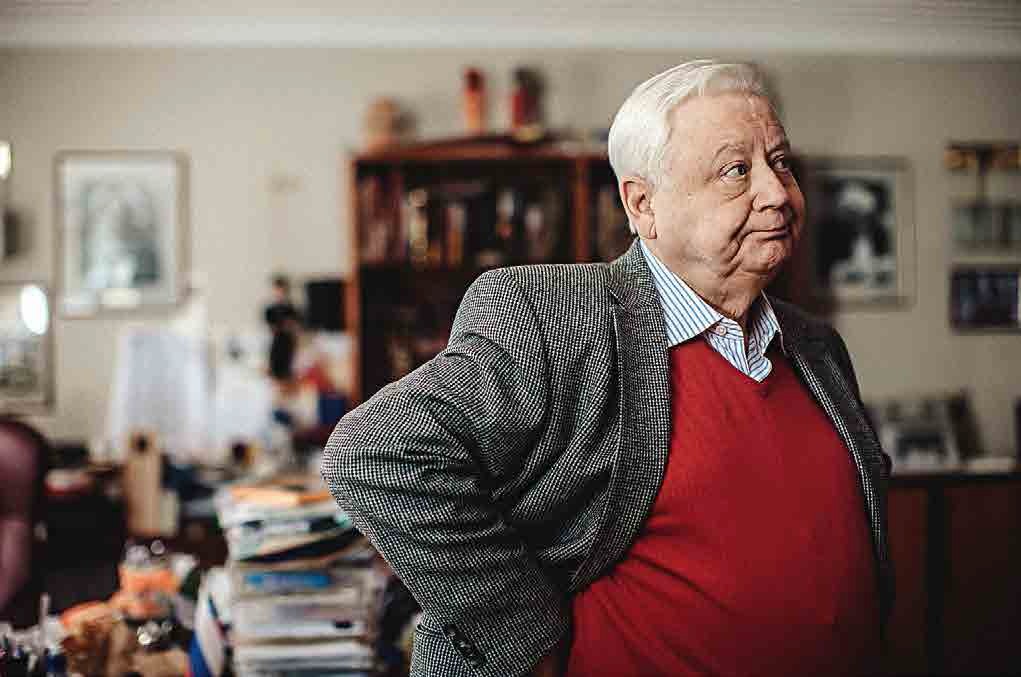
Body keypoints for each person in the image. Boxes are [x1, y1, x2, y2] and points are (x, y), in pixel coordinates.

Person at [323, 60, 893, 677]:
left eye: (780, 162)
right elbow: (373, 453)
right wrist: (528, 641)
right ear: (643, 205)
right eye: (736, 170)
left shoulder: (816, 346)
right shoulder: (555, 316)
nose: (778, 193)